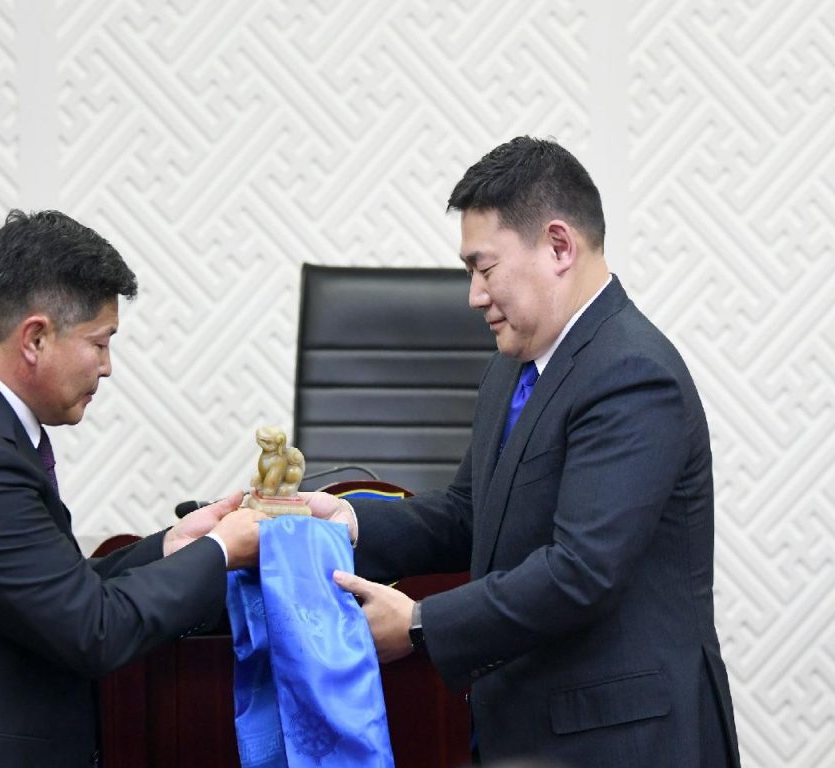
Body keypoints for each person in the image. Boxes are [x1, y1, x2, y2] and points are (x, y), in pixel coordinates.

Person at [308, 137, 741, 766]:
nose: (473, 295)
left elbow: (581, 572)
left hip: (622, 742)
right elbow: (468, 513)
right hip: (526, 730)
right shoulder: (513, 369)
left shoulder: (633, 373)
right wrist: (346, 522)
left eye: (484, 269)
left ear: (559, 246)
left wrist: (421, 623)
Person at [0, 210, 263, 768]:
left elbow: (53, 593)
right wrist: (220, 552)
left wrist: (174, 546)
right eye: (100, 342)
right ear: (36, 338)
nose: (107, 367)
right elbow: (93, 630)